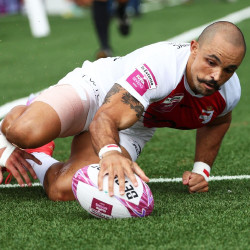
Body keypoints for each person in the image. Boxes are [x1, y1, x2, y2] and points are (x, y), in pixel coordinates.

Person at [0, 21, 246, 201]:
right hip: (95, 90)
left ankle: (39, 157)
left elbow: (217, 121)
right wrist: (110, 153)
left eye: (229, 69)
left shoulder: (229, 91)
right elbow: (104, 117)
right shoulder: (161, 66)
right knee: (25, 131)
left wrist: (202, 169)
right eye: (211, 62)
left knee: (63, 190)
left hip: (132, 126)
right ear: (193, 48)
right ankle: (14, 123)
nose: (217, 76)